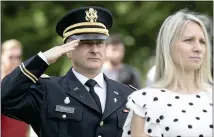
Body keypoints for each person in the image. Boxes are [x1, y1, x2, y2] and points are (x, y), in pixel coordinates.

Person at [1, 6, 134, 137]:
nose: (95, 49)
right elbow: (5, 98)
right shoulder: (46, 91)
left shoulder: (128, 95)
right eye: (86, 43)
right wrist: (42, 59)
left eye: (99, 42)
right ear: (68, 50)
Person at [122, 9, 212, 137]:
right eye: (188, 40)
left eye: (202, 42)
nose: (198, 48)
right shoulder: (144, 102)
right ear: (168, 45)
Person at [1, 39, 29, 137]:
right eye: (10, 57)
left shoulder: (25, 85)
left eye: (18, 57)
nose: (15, 61)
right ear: (2, 57)